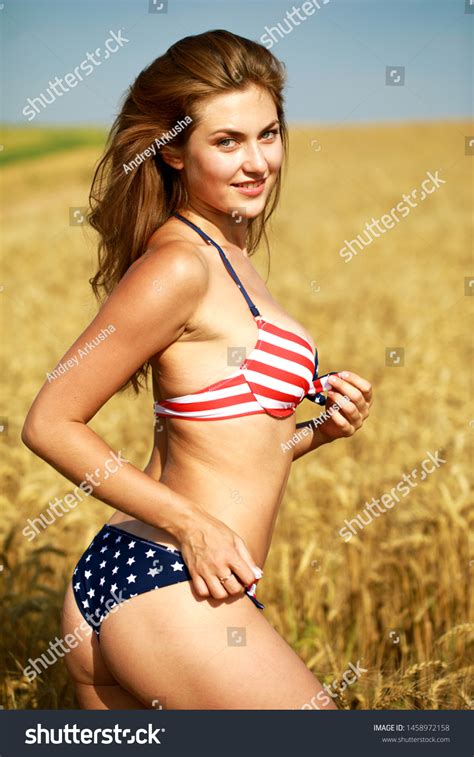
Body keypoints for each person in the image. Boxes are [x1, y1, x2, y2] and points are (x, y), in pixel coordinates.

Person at [21, 29, 372, 710]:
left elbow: (221, 446)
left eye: (268, 134)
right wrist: (193, 526)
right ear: (174, 150)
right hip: (168, 580)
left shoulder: (228, 254)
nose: (258, 162)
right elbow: (50, 421)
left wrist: (312, 435)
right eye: (227, 141)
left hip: (146, 578)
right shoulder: (180, 264)